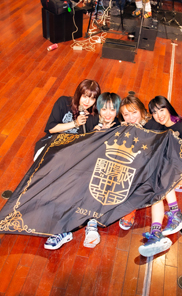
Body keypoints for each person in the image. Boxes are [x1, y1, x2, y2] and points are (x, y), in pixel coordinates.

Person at [41, 79, 101, 250]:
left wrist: (95, 133)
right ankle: (62, 227)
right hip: (54, 147)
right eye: (85, 96)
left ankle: (66, 227)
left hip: (73, 155)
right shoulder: (63, 103)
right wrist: (74, 123)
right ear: (78, 94)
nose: (87, 101)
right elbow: (50, 128)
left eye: (92, 98)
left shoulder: (93, 116)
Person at [138, 96, 182, 257]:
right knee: (157, 189)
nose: (159, 115)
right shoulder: (154, 124)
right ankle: (156, 233)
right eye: (154, 112)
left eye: (162, 110)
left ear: (169, 108)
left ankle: (175, 213)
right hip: (165, 177)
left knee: (160, 174)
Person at [80, 92, 122, 248]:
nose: (108, 114)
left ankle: (92, 223)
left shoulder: (120, 126)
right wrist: (94, 134)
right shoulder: (90, 121)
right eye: (104, 109)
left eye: (112, 109)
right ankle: (62, 229)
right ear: (98, 109)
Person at [117, 94, 152, 230]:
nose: (131, 118)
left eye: (134, 112)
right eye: (126, 114)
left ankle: (130, 209)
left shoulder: (152, 125)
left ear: (142, 111)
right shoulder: (125, 127)